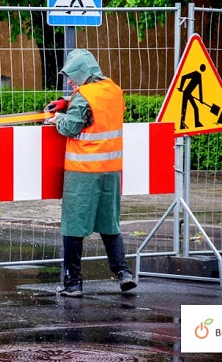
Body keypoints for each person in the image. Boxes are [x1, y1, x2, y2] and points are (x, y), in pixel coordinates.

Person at [45, 49, 137, 297]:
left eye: (73, 76)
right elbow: (97, 113)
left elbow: (72, 127)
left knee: (74, 227)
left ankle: (73, 283)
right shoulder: (114, 90)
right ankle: (124, 273)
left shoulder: (84, 96)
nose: (70, 81)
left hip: (83, 171)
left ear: (84, 73)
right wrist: (68, 102)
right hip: (111, 170)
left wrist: (56, 118)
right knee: (109, 224)